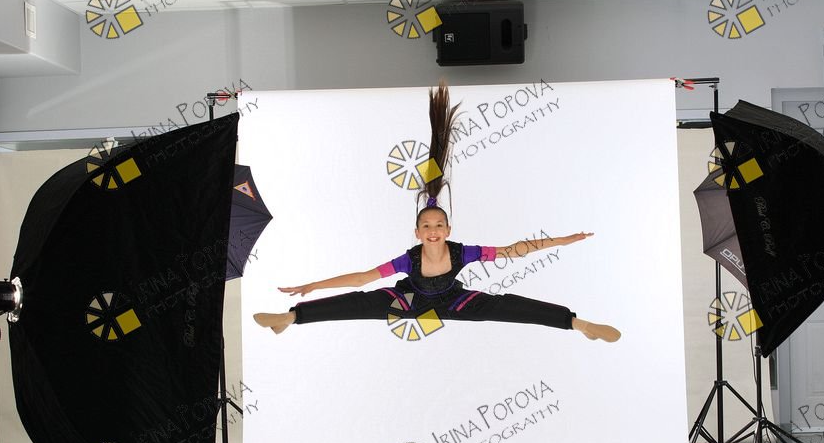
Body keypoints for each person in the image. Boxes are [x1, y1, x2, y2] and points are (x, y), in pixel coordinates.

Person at [253, 83, 621, 343]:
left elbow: (514, 250)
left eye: (438, 225)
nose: (432, 230)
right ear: (417, 233)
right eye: (426, 226)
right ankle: (290, 318)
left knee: (505, 306)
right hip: (409, 302)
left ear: (447, 229)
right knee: (363, 303)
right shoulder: (408, 260)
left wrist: (562, 241)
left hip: (455, 303)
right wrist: (312, 286)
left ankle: (577, 324)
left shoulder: (464, 252)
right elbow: (361, 278)